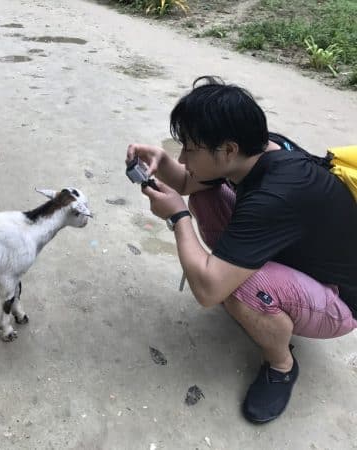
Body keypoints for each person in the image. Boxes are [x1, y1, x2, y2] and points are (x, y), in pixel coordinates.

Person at [126, 75, 357, 424]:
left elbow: (207, 293)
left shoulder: (276, 195)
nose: (184, 157)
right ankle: (239, 275)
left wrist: (177, 217)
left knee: (235, 287)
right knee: (204, 196)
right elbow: (190, 182)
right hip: (299, 261)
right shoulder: (261, 149)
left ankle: (281, 365)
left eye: (190, 148)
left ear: (229, 149)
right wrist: (161, 159)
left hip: (338, 300)